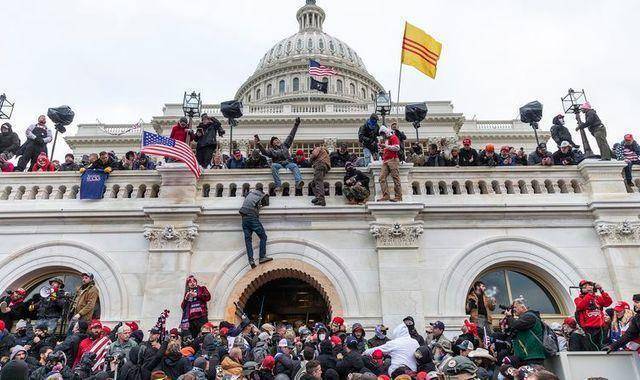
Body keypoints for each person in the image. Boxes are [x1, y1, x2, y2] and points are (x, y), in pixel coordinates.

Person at [255, 117, 303, 192]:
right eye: (275, 141)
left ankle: (298, 182)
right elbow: (264, 152)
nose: (277, 141)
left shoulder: (285, 145)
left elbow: (291, 135)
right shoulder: (271, 150)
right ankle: (278, 185)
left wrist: (296, 124)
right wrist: (259, 144)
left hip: (288, 163)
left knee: (294, 166)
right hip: (279, 164)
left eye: (277, 140)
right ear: (272, 144)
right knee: (273, 166)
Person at [239, 183, 272, 269]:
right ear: (261, 190)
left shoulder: (250, 193)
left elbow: (245, 194)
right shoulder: (262, 195)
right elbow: (266, 203)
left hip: (243, 217)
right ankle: (262, 257)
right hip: (251, 217)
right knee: (263, 237)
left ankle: (251, 260)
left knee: (248, 240)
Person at [504, 298, 545, 366]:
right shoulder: (523, 318)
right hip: (526, 356)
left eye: (515, 307)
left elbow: (516, 325)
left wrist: (509, 316)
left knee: (534, 376)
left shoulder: (530, 316)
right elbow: (511, 331)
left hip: (533, 356)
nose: (513, 310)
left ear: (523, 307)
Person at [574, 279, 612, 350]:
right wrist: (590, 294)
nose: (588, 287)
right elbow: (581, 306)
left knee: (602, 346)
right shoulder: (578, 299)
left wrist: (601, 290)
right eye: (585, 287)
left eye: (589, 286)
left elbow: (608, 302)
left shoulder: (597, 298)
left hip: (601, 327)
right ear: (581, 289)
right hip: (589, 328)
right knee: (593, 347)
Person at [376, 126, 402, 202]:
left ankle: (398, 196)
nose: (383, 136)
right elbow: (389, 148)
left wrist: (386, 146)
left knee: (395, 178)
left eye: (383, 134)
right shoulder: (387, 140)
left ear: (386, 132)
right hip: (386, 160)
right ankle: (386, 196)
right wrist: (384, 148)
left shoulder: (393, 137)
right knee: (381, 178)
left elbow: (397, 148)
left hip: (393, 159)